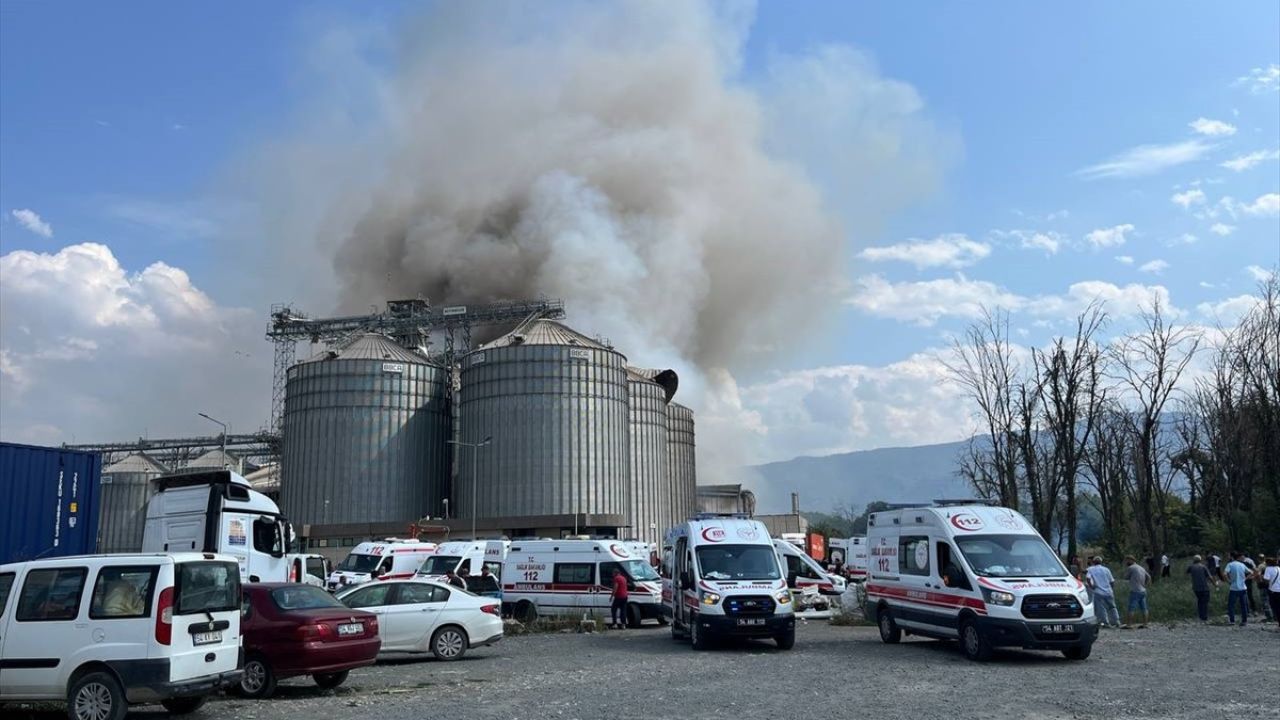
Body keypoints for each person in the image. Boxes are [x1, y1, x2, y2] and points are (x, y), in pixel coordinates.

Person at [1086, 556, 1120, 628]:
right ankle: (1116, 621)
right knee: (1112, 607)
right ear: (1101, 562)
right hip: (1108, 591)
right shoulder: (1106, 569)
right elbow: (1112, 581)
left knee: (1101, 608)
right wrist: (1111, 589)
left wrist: (1091, 586)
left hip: (1098, 591)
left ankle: (1105, 622)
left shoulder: (1090, 569)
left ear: (1093, 562)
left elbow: (1088, 578)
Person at [1186, 555, 1216, 623]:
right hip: (1204, 587)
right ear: (1200, 560)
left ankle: (1200, 615)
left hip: (1196, 588)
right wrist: (1215, 584)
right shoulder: (1203, 567)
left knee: (1199, 601)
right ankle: (1204, 617)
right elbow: (1210, 577)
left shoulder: (1191, 567)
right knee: (1205, 602)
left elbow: (1187, 572)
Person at [1123, 555, 1150, 629]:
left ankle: (1129, 624)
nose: (1126, 562)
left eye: (1126, 560)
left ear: (1131, 560)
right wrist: (1145, 585)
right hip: (1143, 590)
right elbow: (1149, 577)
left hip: (1135, 590)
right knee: (1144, 608)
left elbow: (1125, 577)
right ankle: (1145, 624)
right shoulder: (1141, 568)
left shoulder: (1131, 568)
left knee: (1131, 608)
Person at [1223, 552, 1250, 627]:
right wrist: (1245, 579)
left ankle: (1232, 620)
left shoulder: (1230, 564)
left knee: (1231, 605)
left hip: (1234, 588)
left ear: (1232, 557)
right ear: (1238, 557)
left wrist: (1228, 581)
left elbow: (1224, 574)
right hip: (1242, 587)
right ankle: (1244, 621)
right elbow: (1251, 572)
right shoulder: (1242, 565)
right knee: (1243, 605)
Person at [1262, 552, 1280, 629]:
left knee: (1275, 607)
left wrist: (1261, 577)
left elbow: (1266, 580)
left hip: (1273, 590)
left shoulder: (1268, 569)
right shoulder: (1279, 568)